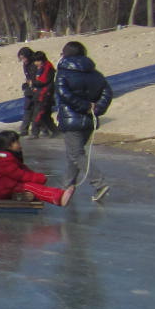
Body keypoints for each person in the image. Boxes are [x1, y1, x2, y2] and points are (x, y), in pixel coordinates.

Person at [55, 40, 113, 202]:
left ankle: (99, 183)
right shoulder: (96, 74)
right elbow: (107, 92)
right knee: (74, 154)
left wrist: (86, 106)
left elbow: (63, 93)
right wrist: (96, 108)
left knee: (76, 154)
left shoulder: (63, 73)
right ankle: (66, 186)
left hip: (72, 119)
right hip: (88, 121)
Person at [0, 130, 74, 207]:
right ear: (8, 146)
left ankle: (58, 194)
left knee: (31, 185)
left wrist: (36, 177)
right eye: (17, 142)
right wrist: (39, 178)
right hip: (0, 189)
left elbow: (24, 169)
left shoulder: (8, 157)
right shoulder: (3, 160)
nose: (19, 144)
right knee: (31, 187)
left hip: (7, 186)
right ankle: (58, 197)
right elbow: (20, 175)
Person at [28, 49, 58, 137]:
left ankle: (34, 133)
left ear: (41, 60)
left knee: (38, 114)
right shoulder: (40, 67)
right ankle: (55, 131)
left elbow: (43, 80)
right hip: (40, 93)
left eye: (36, 61)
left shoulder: (47, 67)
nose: (35, 63)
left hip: (45, 94)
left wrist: (33, 82)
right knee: (45, 115)